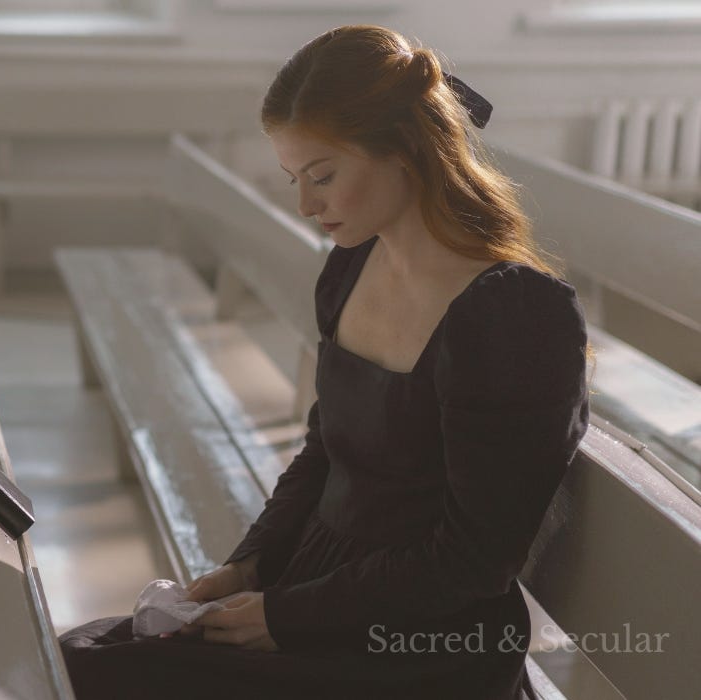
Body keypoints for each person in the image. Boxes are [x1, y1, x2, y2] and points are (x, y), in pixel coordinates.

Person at [58, 24, 591, 700]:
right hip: (321, 583)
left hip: (419, 641)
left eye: (324, 176)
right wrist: (251, 565)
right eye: (294, 179)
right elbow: (326, 448)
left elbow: (472, 561)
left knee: (105, 674)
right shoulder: (351, 266)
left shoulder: (514, 317)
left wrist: (287, 614)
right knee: (88, 655)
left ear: (404, 150)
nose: (307, 205)